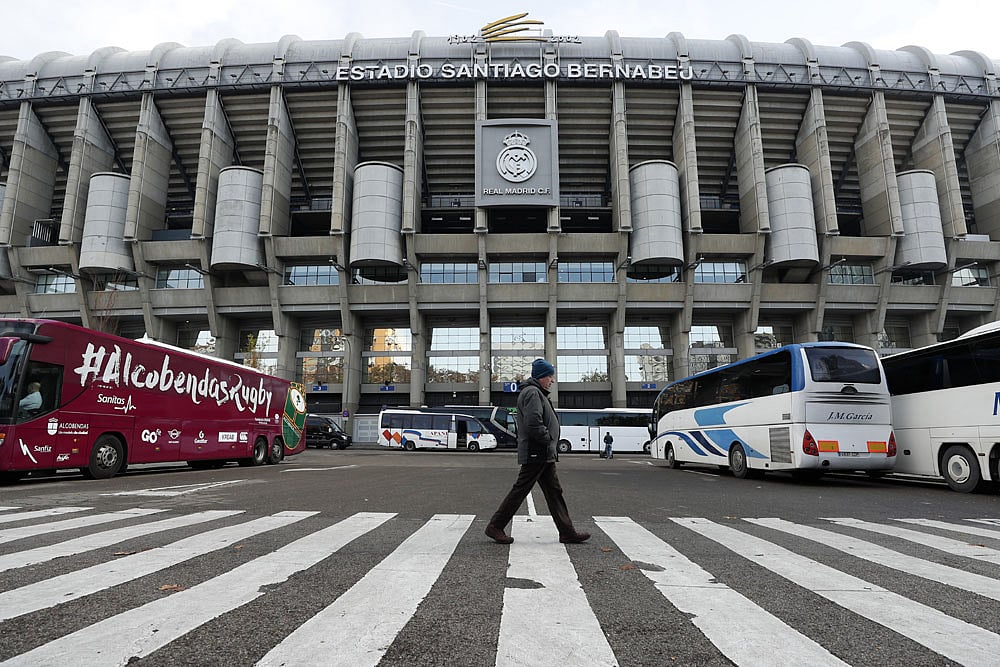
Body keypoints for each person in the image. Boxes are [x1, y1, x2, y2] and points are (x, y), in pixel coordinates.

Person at [485, 358, 590, 545]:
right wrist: (548, 439)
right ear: (542, 376)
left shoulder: (537, 392)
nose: (553, 380)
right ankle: (495, 526)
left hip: (543, 451)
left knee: (554, 491)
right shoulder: (533, 393)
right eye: (550, 376)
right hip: (537, 450)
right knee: (521, 489)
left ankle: (567, 532)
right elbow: (534, 422)